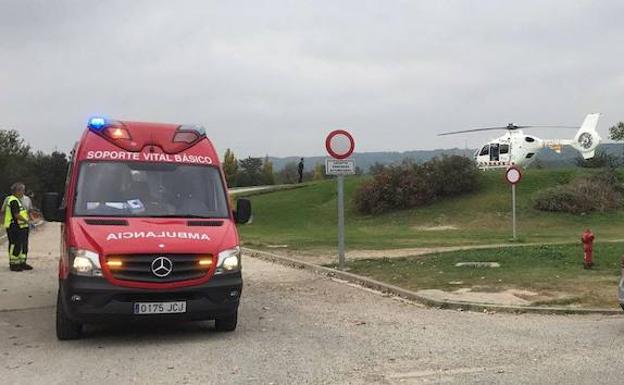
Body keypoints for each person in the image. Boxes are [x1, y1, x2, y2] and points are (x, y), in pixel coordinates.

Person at [4, 182, 32, 271]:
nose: (23, 192)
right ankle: (13, 263)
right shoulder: (12, 200)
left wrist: (29, 221)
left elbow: (27, 211)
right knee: (15, 244)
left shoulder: (25, 199)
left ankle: (21, 262)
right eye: (21, 190)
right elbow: (16, 214)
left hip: (22, 226)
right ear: (16, 191)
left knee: (22, 244)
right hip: (13, 226)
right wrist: (26, 220)